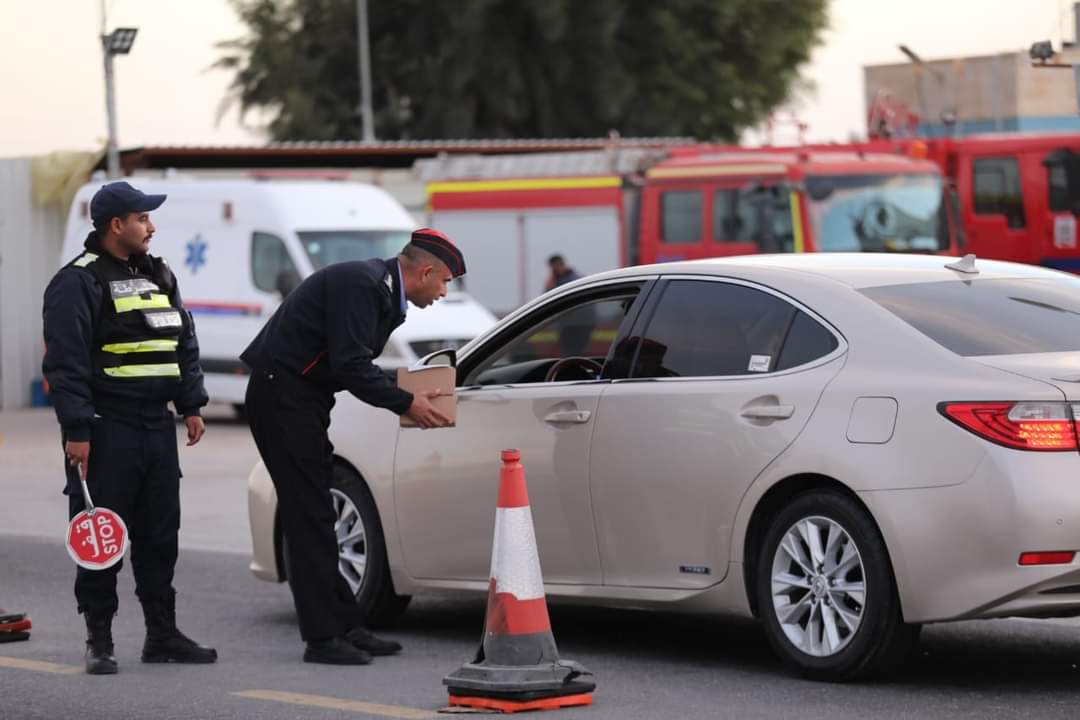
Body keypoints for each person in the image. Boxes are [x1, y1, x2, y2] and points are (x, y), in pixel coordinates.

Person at [240, 228, 464, 665]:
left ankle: (347, 625)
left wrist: (405, 388)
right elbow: (351, 364)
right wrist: (406, 401)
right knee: (308, 518)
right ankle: (322, 639)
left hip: (301, 401)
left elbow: (350, 361)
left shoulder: (379, 290)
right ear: (424, 271)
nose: (443, 291)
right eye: (445, 281)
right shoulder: (364, 285)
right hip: (281, 398)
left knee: (320, 515)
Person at [42, 181, 216, 675]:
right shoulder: (77, 281)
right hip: (104, 427)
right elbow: (66, 362)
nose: (152, 226)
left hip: (155, 427)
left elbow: (183, 338)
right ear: (116, 225)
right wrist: (77, 429)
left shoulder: (158, 273)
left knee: (161, 534)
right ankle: (99, 638)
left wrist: (191, 402)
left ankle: (162, 634)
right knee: (101, 536)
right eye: (143, 218)